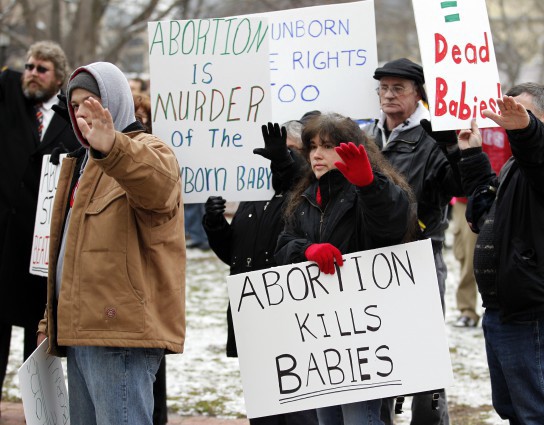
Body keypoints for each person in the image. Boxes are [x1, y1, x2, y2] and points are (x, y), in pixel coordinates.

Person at [36, 61, 186, 425]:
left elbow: (158, 191)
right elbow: (70, 252)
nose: (82, 113)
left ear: (115, 100)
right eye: (75, 106)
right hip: (82, 330)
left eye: (92, 102)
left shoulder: (148, 151)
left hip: (121, 336)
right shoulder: (81, 162)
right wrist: (49, 320)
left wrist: (112, 147)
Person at [458, 83, 544, 424]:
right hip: (504, 308)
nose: (509, 121)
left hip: (534, 309)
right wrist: (472, 155)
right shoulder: (515, 166)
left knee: (541, 414)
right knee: (514, 410)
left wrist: (525, 130)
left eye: (520, 113)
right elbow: (486, 215)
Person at [275, 112, 415, 425]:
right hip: (322, 334)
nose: (316, 155)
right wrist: (307, 249)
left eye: (327, 146)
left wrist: (369, 186)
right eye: (311, 147)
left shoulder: (371, 189)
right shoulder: (305, 197)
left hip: (365, 332)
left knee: (359, 419)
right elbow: (283, 246)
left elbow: (390, 227)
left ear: (351, 149)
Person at [366, 57, 463, 425]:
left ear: (417, 93)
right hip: (370, 262)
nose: (388, 95)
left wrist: (455, 149)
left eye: (398, 88)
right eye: (384, 88)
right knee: (376, 349)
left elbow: (459, 187)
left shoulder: (432, 134)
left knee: (424, 353)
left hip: (418, 257)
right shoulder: (367, 135)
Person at [203, 120, 318, 425]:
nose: (277, 156)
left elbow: (296, 182)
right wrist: (214, 224)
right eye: (273, 150)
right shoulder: (253, 193)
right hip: (252, 313)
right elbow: (235, 256)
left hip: (290, 316)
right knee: (263, 412)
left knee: (298, 413)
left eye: (288, 150)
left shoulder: (307, 193)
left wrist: (284, 161)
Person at [0, 40, 80, 411]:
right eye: (29, 66)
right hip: (3, 241)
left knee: (36, 339)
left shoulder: (70, 119)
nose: (32, 73)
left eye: (42, 69)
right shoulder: (9, 99)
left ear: (58, 77)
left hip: (41, 250)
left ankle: (39, 412)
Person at [133, 92, 169, 425]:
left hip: (152, 278)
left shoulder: (159, 158)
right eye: (134, 114)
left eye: (145, 115)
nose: (139, 119)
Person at [452, 127, 511, 328]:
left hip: (503, 196)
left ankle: (505, 306)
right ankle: (467, 309)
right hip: (467, 198)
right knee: (468, 259)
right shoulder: (462, 118)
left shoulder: (507, 117)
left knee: (504, 255)